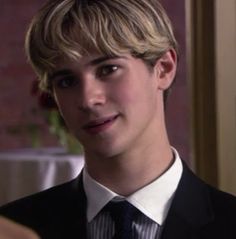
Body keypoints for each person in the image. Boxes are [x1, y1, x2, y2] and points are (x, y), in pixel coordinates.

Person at [0, 0, 236, 238]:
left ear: (163, 68)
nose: (88, 99)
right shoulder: (18, 228)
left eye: (108, 69)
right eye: (66, 81)